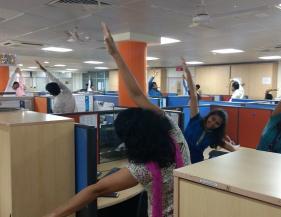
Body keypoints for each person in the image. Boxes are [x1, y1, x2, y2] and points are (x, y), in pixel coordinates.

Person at [42, 22, 191, 217]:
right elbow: (138, 95)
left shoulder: (143, 169)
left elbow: (95, 190)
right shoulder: (174, 134)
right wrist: (115, 54)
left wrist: (54, 214)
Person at [182, 58, 236, 163]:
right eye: (213, 119)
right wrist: (188, 72)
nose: (212, 123)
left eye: (217, 123)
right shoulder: (195, 119)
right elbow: (193, 95)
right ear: (209, 116)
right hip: (180, 158)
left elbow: (230, 148)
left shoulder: (214, 136)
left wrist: (240, 154)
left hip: (196, 163)